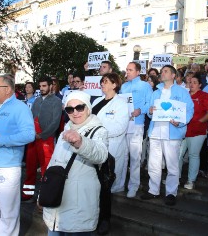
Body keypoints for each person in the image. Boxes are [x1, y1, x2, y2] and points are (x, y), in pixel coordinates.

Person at [43, 91, 108, 235]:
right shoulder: (65, 130)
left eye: (80, 107)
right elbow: (53, 163)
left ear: (88, 108)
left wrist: (81, 143)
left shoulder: (99, 131)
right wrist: (43, 192)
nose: (75, 112)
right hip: (55, 203)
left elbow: (101, 154)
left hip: (79, 207)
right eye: (70, 109)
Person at [0, 75, 35, 236]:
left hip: (7, 169)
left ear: (8, 90)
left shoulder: (20, 108)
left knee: (8, 214)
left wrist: (1, 141)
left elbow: (29, 135)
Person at [141, 65, 194, 206]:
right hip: (156, 132)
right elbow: (149, 110)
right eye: (162, 71)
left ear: (173, 75)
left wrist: (181, 122)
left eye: (165, 71)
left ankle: (171, 192)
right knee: (153, 163)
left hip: (172, 133)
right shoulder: (156, 92)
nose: (162, 73)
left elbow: (189, 110)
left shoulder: (182, 92)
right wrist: (150, 110)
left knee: (172, 165)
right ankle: (153, 190)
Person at [92, 73, 129, 234]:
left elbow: (120, 127)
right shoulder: (97, 101)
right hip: (93, 148)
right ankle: (93, 217)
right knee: (94, 185)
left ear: (114, 85)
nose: (102, 83)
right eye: (101, 81)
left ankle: (104, 219)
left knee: (105, 187)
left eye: (105, 81)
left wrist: (100, 132)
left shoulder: (121, 104)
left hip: (110, 149)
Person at [22, 76, 62, 202]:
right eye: (40, 86)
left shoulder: (56, 101)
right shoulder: (37, 101)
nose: (41, 88)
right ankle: (27, 194)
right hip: (33, 138)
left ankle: (43, 197)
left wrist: (43, 134)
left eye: (44, 86)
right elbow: (30, 118)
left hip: (46, 139)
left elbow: (55, 122)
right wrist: (31, 133)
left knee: (46, 169)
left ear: (51, 86)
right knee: (30, 167)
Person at [120, 62, 153, 198]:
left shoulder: (145, 86)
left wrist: (141, 110)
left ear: (138, 72)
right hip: (123, 124)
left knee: (135, 156)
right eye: (126, 70)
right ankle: (119, 184)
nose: (127, 72)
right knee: (122, 156)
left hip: (137, 124)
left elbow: (150, 104)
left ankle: (133, 185)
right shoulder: (123, 86)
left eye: (130, 70)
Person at [179, 74, 208, 189]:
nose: (191, 84)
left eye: (194, 82)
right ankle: (175, 178)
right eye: (190, 82)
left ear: (199, 85)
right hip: (182, 130)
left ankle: (191, 180)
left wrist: (200, 121)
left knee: (193, 155)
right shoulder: (184, 95)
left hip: (198, 131)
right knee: (178, 154)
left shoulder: (204, 95)